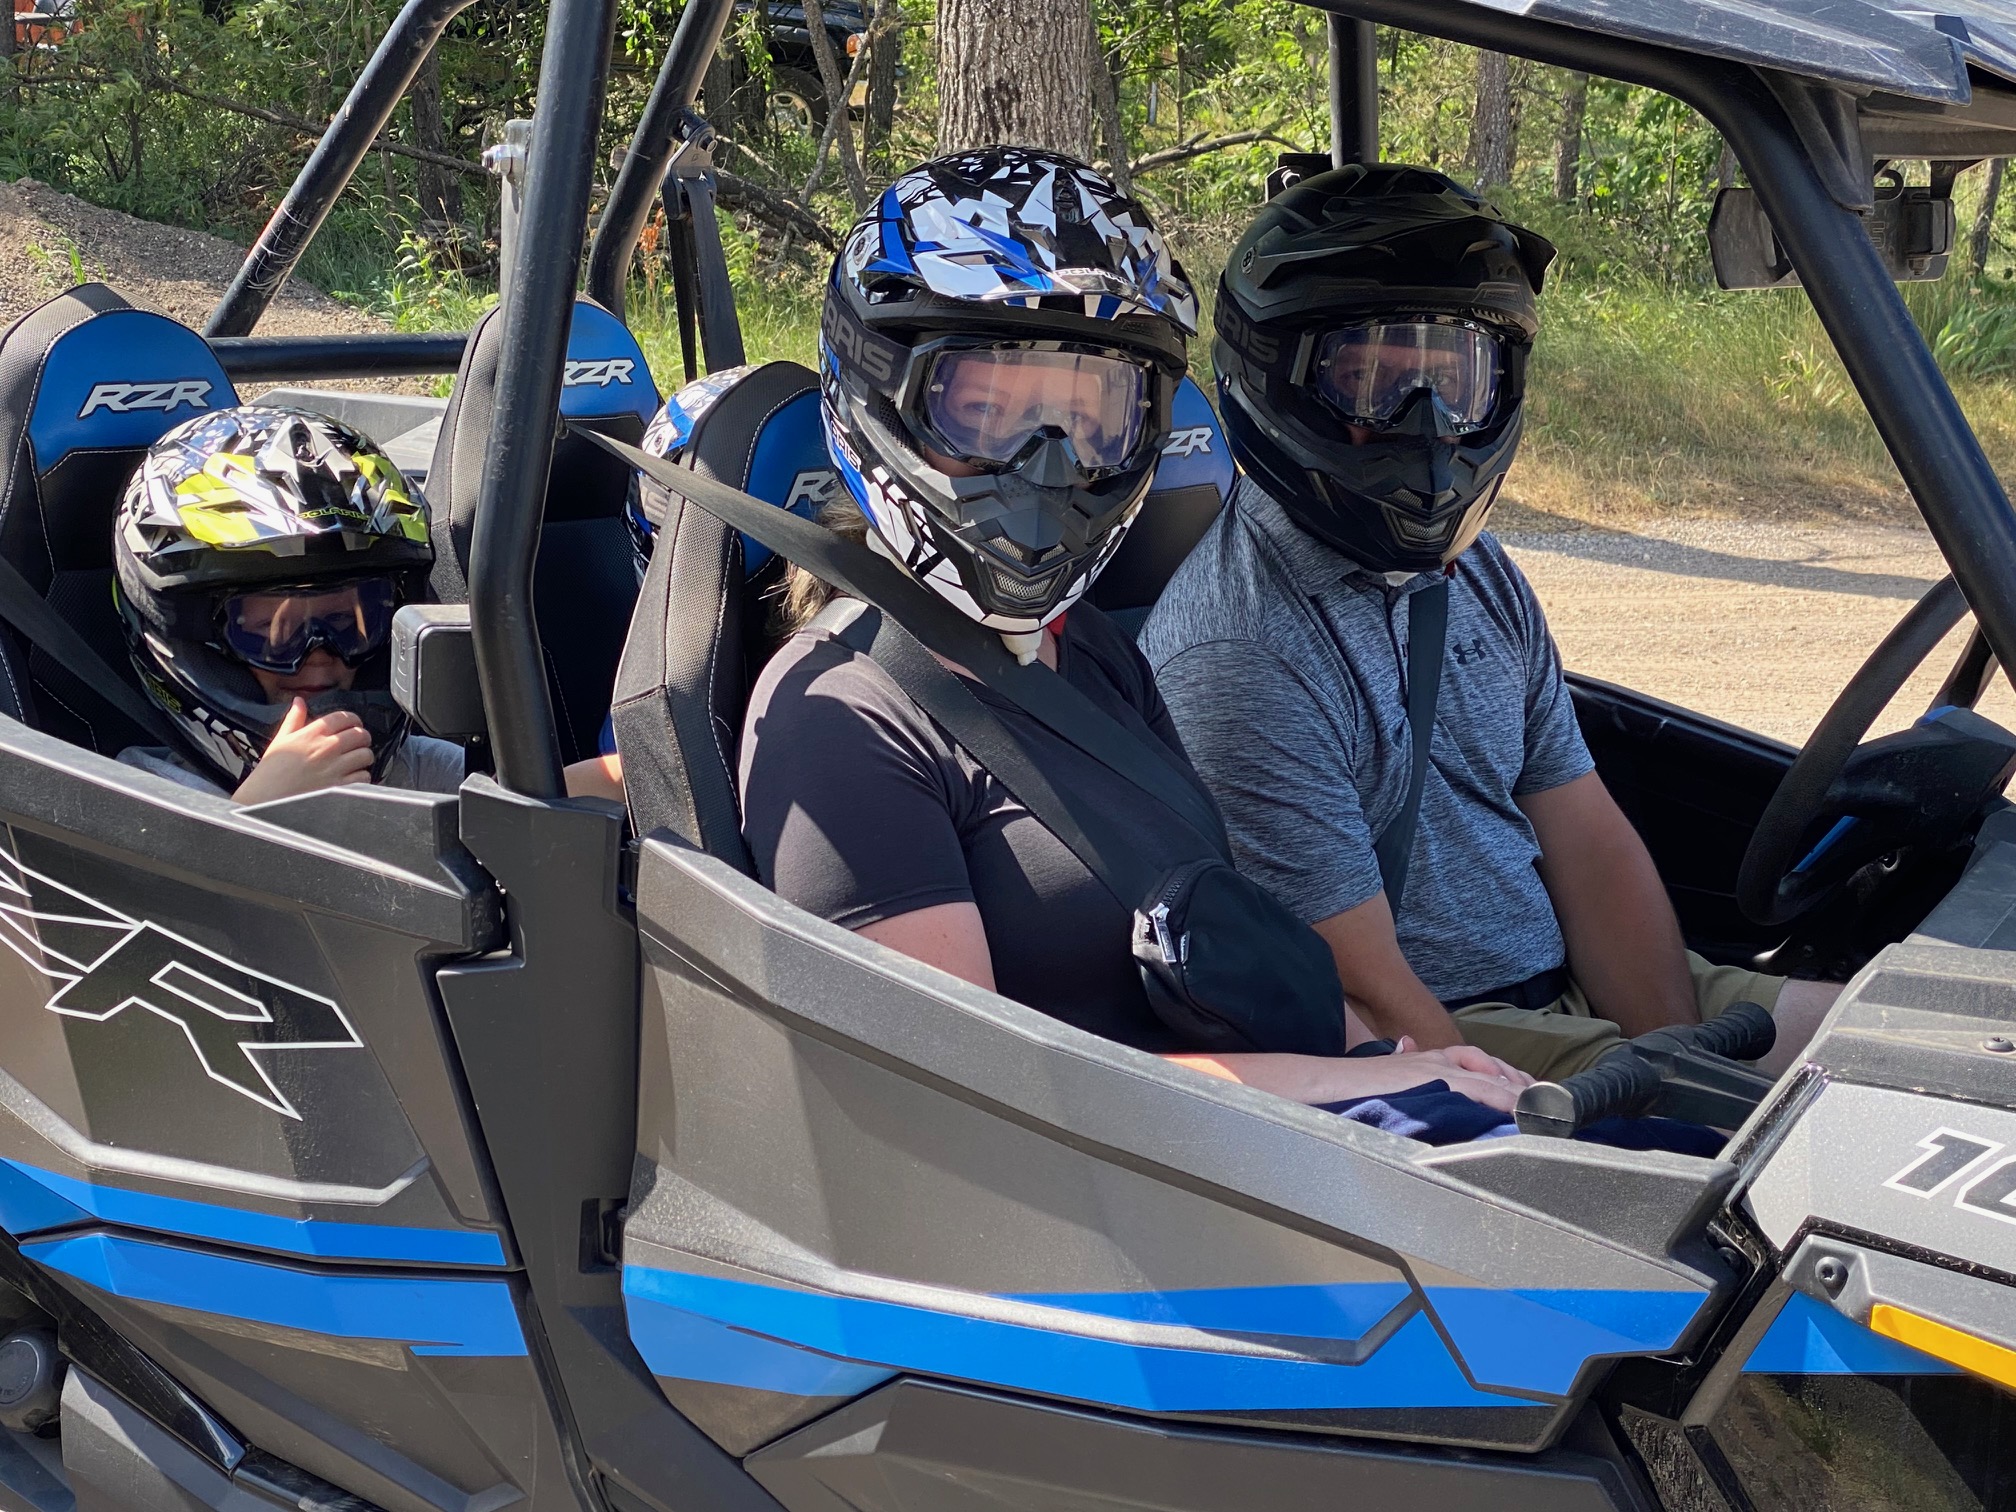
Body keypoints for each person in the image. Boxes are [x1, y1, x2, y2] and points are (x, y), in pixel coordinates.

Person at [734, 147, 1534, 1122]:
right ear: (879, 390)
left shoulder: (1084, 647)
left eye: (1092, 419)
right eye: (988, 412)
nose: (1049, 466)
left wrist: (1397, 1059)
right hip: (1106, 1219)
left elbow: (1218, 945)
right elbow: (960, 1099)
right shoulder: (844, 716)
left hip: (1245, 1152)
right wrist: (1358, 1084)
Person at [1139, 164, 1838, 1083]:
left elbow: (1585, 834)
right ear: (1277, 382)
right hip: (1460, 1038)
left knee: (1919, 1049)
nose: (1426, 426)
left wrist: (1673, 1048)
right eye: (1371, 383)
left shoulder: (1479, 574)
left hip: (1575, 994)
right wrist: (1673, 1098)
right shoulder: (1239, 646)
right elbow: (1376, 995)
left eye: (1452, 383)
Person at [111, 405, 613, 804]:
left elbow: (537, 806)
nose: (320, 656)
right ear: (193, 641)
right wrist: (264, 809)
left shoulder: (414, 769)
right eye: (274, 631)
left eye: (349, 622)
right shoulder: (148, 789)